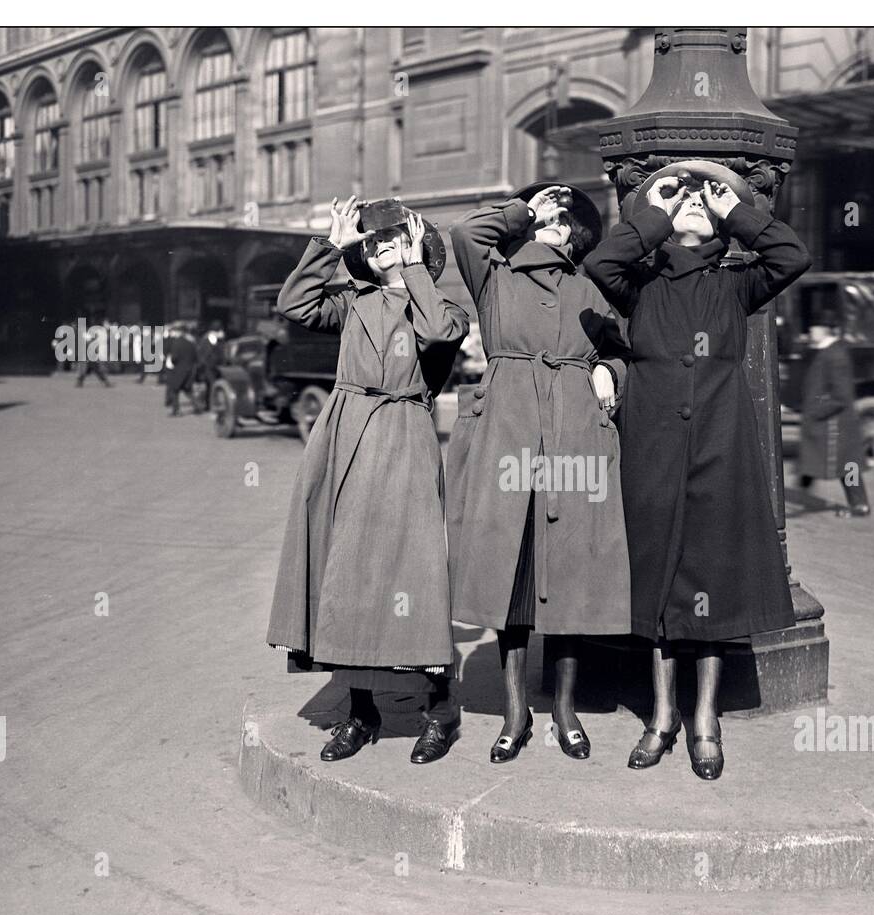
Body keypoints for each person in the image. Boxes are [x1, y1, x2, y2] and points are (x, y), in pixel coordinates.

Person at [584, 161, 811, 780]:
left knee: (713, 578)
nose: (692, 205)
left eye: (703, 204)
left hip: (719, 445)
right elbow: (600, 263)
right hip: (653, 448)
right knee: (659, 580)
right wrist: (654, 214)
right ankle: (662, 717)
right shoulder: (639, 284)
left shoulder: (737, 284)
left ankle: (704, 720)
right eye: (679, 203)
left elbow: (793, 256)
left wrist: (735, 211)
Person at [267, 195, 469, 765]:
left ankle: (440, 715)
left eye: (394, 239)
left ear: (417, 246)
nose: (382, 247)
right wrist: (330, 246)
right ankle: (360, 714)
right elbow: (294, 304)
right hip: (345, 434)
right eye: (374, 241)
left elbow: (437, 333)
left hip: (404, 436)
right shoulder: (352, 302)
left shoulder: (442, 307)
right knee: (347, 570)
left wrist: (412, 270)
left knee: (413, 574)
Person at [447, 182, 630, 763]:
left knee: (571, 572)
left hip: (575, 434)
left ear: (579, 235)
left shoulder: (591, 287)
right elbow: (464, 233)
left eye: (563, 219)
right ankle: (515, 711)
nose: (554, 223)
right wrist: (523, 210)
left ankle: (565, 710)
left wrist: (610, 373)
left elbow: (624, 348)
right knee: (511, 574)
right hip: (509, 433)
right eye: (545, 216)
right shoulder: (495, 277)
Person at [798, 318, 871, 517]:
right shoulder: (826, 351)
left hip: (836, 421)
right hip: (832, 420)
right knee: (844, 463)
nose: (810, 331)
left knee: (848, 464)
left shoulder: (835, 354)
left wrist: (817, 411)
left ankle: (860, 505)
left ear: (825, 330)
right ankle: (804, 487)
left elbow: (842, 395)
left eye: (814, 327)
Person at [163, 322, 199, 414]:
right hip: (189, 369)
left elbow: (174, 358)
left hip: (179, 370)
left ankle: (176, 410)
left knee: (174, 390)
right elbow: (195, 356)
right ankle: (197, 407)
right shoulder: (190, 343)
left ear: (178, 332)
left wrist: (171, 362)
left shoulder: (176, 343)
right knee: (188, 390)